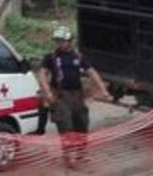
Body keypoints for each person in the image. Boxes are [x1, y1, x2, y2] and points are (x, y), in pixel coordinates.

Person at [37, 26, 112, 166]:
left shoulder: (78, 56)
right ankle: (68, 156)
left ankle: (81, 154)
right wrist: (47, 92)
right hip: (60, 96)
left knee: (82, 123)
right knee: (65, 125)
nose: (59, 43)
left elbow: (91, 72)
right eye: (57, 41)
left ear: (69, 41)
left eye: (62, 41)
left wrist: (103, 90)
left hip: (77, 95)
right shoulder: (51, 57)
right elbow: (42, 74)